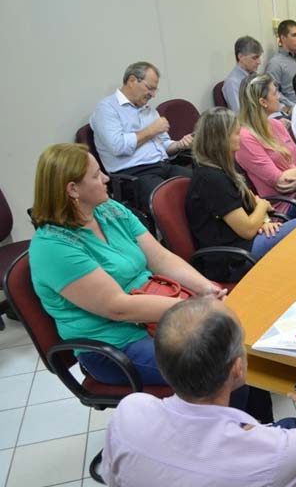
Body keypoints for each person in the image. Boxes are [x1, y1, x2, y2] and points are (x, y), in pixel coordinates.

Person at [100, 297, 296, 487]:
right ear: (237, 368)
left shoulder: (130, 411)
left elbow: (113, 479)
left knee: (291, 424)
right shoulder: (269, 452)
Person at [28, 143, 224, 387]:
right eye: (96, 175)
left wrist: (206, 288)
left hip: (154, 314)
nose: (106, 178)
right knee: (220, 364)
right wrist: (192, 308)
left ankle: (250, 413)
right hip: (115, 346)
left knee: (234, 344)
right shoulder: (54, 248)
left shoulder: (109, 209)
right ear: (73, 189)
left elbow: (160, 258)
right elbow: (118, 308)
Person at [186, 108, 296, 280]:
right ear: (221, 139)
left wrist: (264, 221)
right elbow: (248, 229)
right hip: (233, 259)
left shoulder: (226, 168)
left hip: (246, 243)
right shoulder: (211, 179)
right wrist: (262, 208)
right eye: (236, 133)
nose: (241, 137)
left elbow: (251, 201)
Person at [90, 61, 193, 210]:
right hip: (134, 174)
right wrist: (151, 130)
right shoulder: (106, 108)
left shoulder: (148, 109)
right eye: (150, 88)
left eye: (155, 89)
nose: (153, 94)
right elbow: (118, 146)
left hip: (164, 166)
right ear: (132, 80)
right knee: (172, 201)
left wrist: (179, 145)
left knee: (202, 183)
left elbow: (163, 144)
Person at [236, 73, 296, 218]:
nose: (278, 97)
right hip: (286, 206)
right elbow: (281, 181)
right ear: (263, 102)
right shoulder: (246, 138)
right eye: (274, 93)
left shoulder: (277, 124)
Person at [222, 35, 264, 113]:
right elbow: (240, 114)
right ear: (240, 57)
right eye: (254, 58)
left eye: (259, 57)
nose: (259, 62)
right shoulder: (232, 83)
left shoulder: (255, 76)